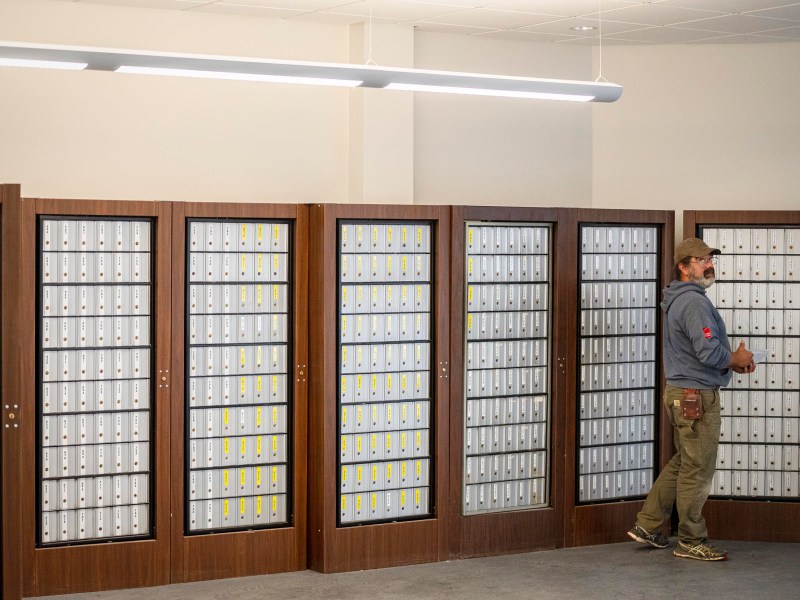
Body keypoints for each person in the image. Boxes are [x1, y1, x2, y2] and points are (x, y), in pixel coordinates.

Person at [627, 237, 755, 561]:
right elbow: (708, 351)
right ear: (683, 267)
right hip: (696, 397)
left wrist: (731, 362)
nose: (708, 264)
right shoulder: (695, 303)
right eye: (701, 260)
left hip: (680, 393)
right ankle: (690, 540)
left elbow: (699, 353)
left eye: (710, 259)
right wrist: (735, 359)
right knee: (698, 469)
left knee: (684, 462)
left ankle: (648, 524)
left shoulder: (676, 299)